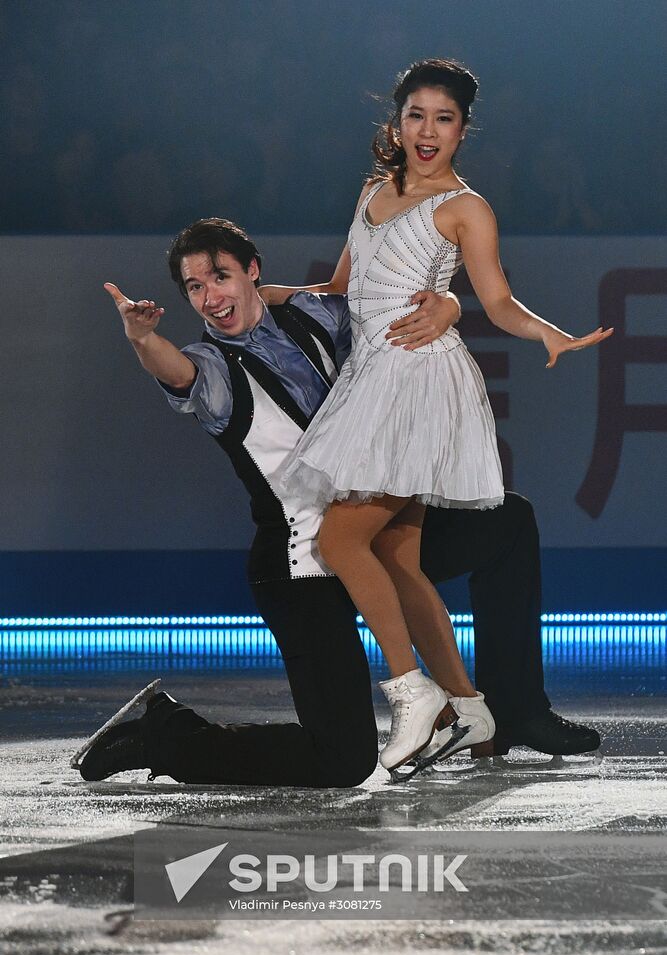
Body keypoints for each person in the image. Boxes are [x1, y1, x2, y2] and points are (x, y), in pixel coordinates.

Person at [77, 213, 602, 788]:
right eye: (195, 288)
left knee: (508, 522)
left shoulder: (313, 316)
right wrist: (143, 339)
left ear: (252, 271)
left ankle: (516, 710)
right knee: (343, 761)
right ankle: (167, 735)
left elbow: (390, 306)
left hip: (371, 536)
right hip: (303, 567)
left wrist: (447, 303)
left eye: (220, 277)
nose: (210, 298)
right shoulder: (212, 368)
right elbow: (175, 372)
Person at [262, 58, 612, 776]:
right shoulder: (371, 191)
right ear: (395, 122)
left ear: (461, 130)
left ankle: (410, 692)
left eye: (443, 119)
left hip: (419, 383)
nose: (427, 131)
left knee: (339, 537)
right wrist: (265, 293)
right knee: (396, 557)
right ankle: (470, 711)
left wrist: (545, 331)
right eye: (415, 115)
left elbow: (498, 299)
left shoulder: (465, 207)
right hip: (370, 381)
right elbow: (340, 288)